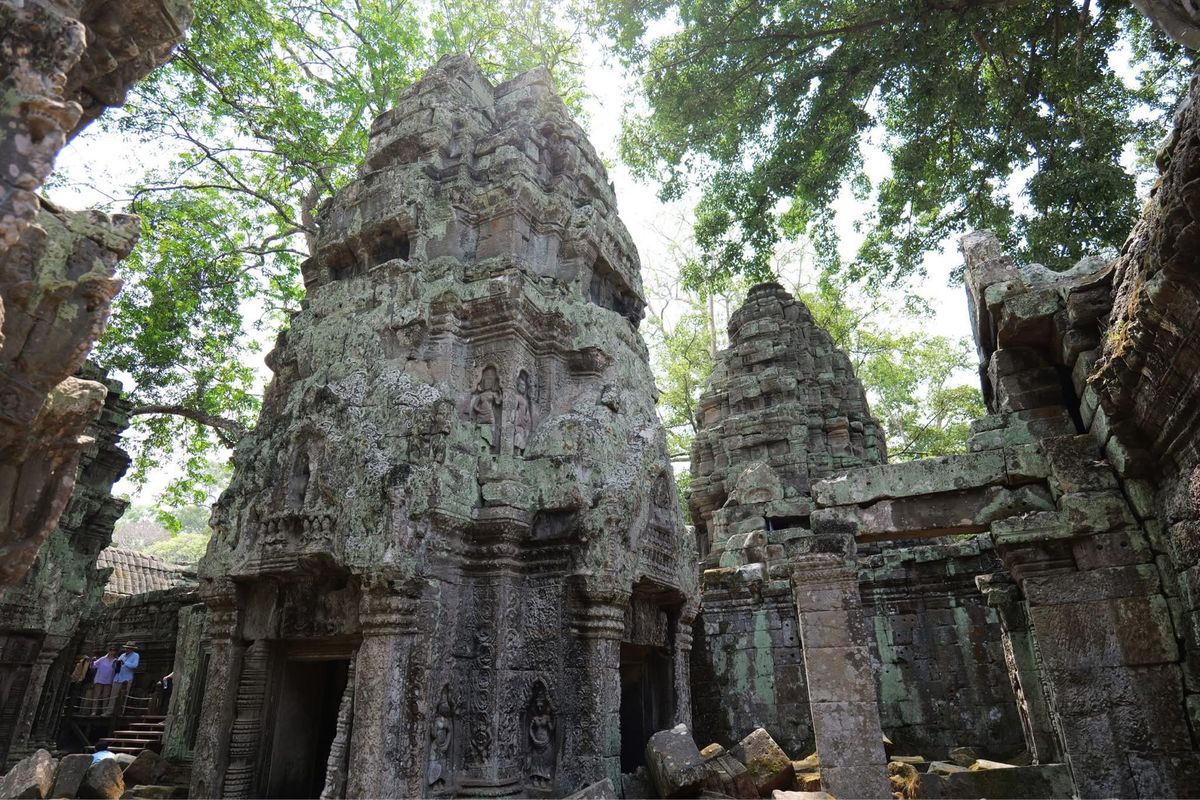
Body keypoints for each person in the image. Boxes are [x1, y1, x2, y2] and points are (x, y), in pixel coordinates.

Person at [111, 641, 140, 715]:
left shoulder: (135, 655)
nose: (127, 649)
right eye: (126, 648)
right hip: (117, 677)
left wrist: (125, 662)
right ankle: (110, 711)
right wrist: (115, 662)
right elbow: (116, 666)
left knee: (123, 696)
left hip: (126, 679)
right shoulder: (122, 655)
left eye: (129, 648)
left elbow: (135, 665)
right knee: (113, 696)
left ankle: (120, 712)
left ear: (132, 649)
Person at [90, 646, 118, 716]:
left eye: (114, 650)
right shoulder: (102, 659)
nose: (112, 652)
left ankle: (104, 711)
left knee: (106, 696)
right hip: (99, 679)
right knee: (96, 695)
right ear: (108, 651)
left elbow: (117, 669)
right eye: (111, 650)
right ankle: (93, 711)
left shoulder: (116, 660)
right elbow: (93, 666)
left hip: (108, 680)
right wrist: (92, 661)